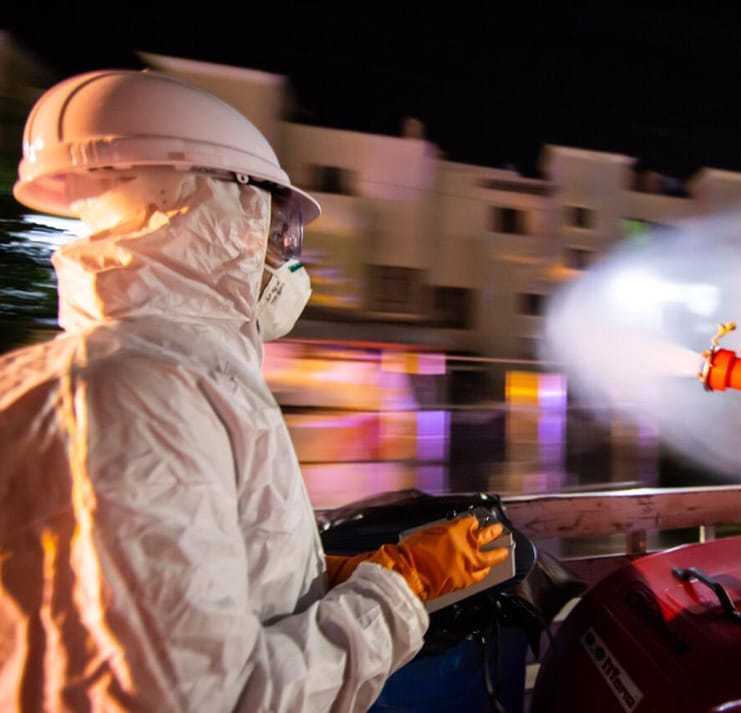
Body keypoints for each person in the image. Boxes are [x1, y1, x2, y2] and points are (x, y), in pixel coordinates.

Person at [0, 69, 508, 712]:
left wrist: (320, 580)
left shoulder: (116, 378)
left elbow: (167, 608)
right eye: (279, 231)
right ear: (220, 211)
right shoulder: (145, 400)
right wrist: (394, 590)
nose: (288, 261)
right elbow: (216, 695)